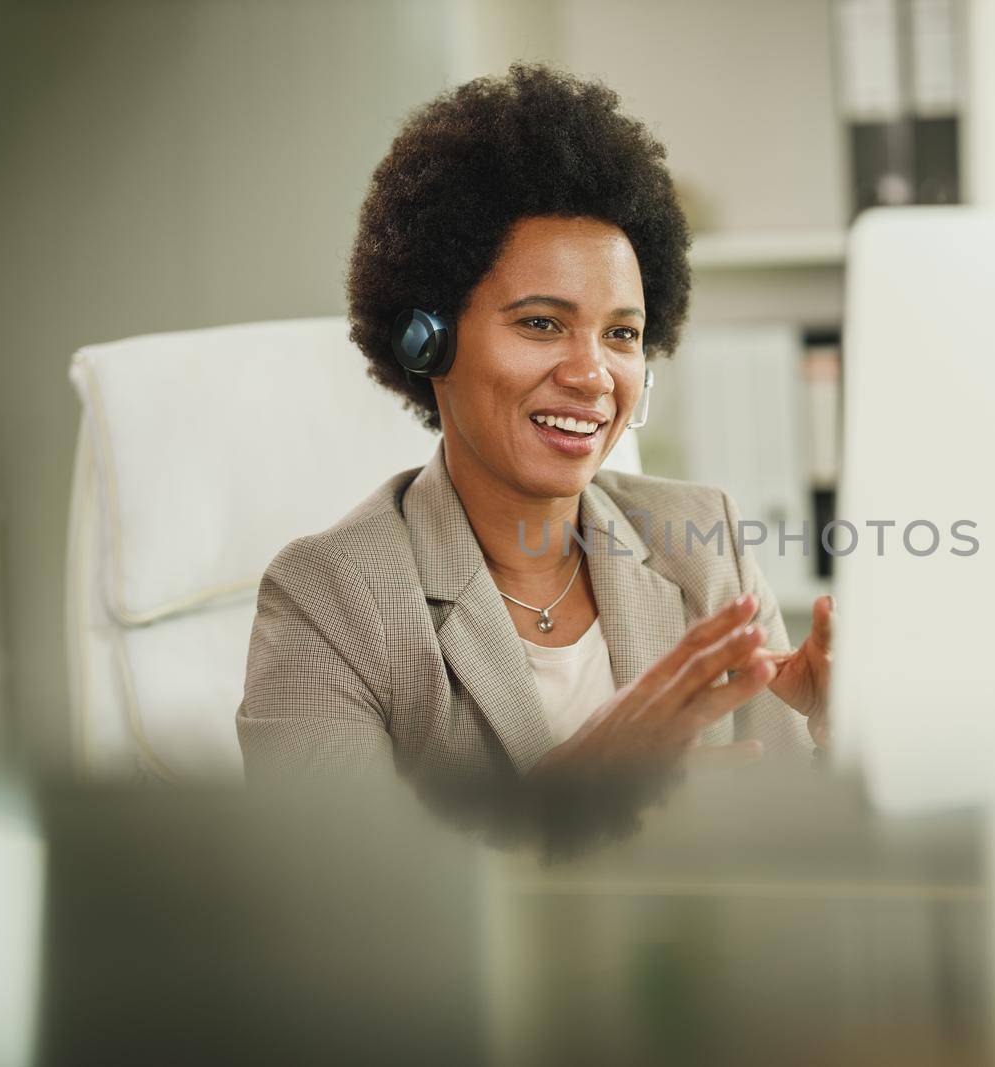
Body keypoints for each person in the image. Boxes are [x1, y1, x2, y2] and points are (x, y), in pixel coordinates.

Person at [237, 65, 832, 787]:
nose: (592, 375)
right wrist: (566, 802)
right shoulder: (330, 600)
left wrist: (837, 737)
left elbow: (787, 837)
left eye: (621, 335)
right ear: (428, 341)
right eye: (542, 323)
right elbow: (330, 887)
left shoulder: (704, 547)